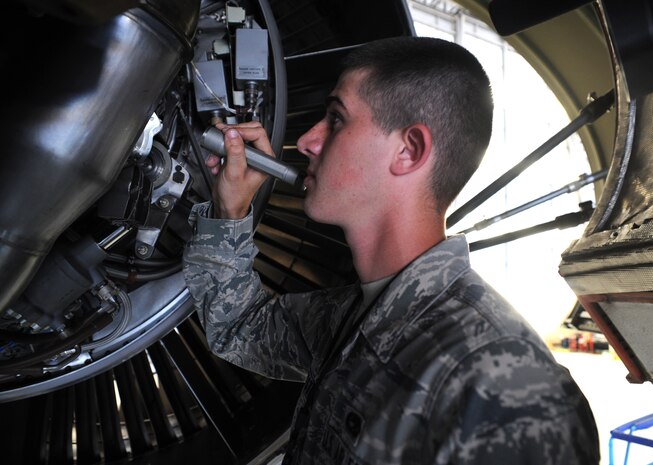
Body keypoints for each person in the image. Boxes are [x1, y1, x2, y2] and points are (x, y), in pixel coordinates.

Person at [183, 36, 600, 464]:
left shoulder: (507, 387)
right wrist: (229, 211)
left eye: (336, 119)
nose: (307, 141)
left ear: (408, 151)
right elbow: (241, 327)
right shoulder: (350, 314)